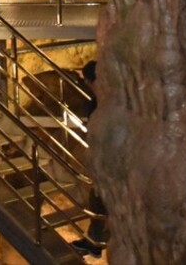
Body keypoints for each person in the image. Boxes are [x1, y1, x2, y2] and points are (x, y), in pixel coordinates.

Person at [71, 60, 109, 256]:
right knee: (97, 200)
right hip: (107, 155)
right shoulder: (107, 96)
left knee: (99, 199)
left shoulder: (99, 100)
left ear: (88, 81)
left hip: (108, 157)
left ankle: (97, 241)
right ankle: (96, 241)